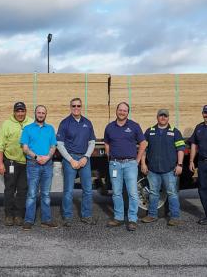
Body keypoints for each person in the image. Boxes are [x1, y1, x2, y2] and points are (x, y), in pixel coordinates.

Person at [104, 102, 147, 231]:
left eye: (125, 110)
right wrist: (110, 158)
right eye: (120, 110)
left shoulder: (134, 126)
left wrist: (138, 160)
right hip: (115, 164)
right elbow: (106, 143)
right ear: (116, 111)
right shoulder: (110, 127)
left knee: (132, 193)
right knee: (116, 192)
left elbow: (143, 143)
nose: (122, 112)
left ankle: (132, 219)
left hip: (130, 164)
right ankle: (119, 217)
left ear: (128, 113)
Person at [140, 109, 185, 226]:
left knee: (172, 193)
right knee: (153, 193)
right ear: (157, 117)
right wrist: (143, 164)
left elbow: (181, 150)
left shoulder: (175, 132)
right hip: (153, 170)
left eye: (165, 116)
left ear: (168, 118)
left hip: (169, 169)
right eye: (161, 116)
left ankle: (175, 217)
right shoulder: (150, 131)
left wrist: (179, 164)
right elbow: (143, 149)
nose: (163, 118)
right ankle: (152, 215)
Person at [57, 98, 96, 227]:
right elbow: (60, 144)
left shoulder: (87, 123)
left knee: (88, 190)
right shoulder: (65, 123)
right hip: (70, 158)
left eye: (78, 105)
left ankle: (86, 216)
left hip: (84, 158)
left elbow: (92, 142)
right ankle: (67, 217)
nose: (76, 107)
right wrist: (71, 160)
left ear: (81, 107)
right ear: (70, 107)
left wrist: (86, 157)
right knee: (68, 190)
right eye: (73, 105)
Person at [20, 105, 57, 231]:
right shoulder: (28, 129)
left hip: (47, 164)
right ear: (35, 113)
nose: (41, 114)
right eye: (39, 112)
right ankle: (28, 220)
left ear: (45, 114)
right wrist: (36, 157)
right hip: (33, 164)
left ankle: (46, 220)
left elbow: (53, 146)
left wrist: (47, 157)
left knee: (46, 194)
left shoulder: (50, 129)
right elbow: (25, 148)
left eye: (43, 113)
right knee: (31, 194)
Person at [0, 102, 33, 226]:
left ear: (25, 111)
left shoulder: (31, 122)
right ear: (14, 112)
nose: (20, 113)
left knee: (23, 189)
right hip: (11, 161)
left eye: (22, 111)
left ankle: (18, 215)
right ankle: (8, 215)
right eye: (18, 111)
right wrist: (0, 163)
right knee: (10, 188)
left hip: (26, 162)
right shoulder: (6, 124)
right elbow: (0, 144)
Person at [189, 104, 207, 225]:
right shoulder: (199, 127)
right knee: (203, 190)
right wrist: (191, 161)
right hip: (202, 164)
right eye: (205, 112)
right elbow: (193, 144)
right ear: (202, 113)